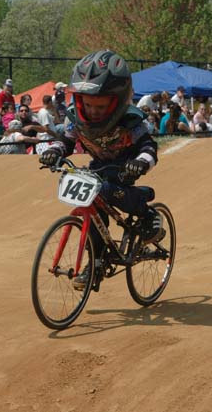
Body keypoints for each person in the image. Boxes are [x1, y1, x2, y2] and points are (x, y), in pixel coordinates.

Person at [38, 50, 164, 290]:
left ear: (118, 101)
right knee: (93, 209)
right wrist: (54, 151)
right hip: (98, 166)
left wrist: (141, 162)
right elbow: (66, 141)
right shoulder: (75, 118)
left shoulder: (131, 121)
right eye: (87, 104)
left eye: (100, 105)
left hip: (125, 168)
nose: (93, 110)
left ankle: (148, 214)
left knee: (109, 189)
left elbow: (149, 147)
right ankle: (95, 262)